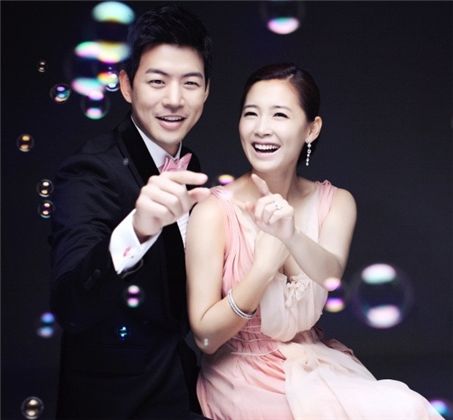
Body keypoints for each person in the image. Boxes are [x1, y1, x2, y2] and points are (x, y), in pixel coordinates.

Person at [185, 63, 443, 420]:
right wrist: (263, 269)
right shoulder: (213, 211)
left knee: (408, 409)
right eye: (251, 114)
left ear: (311, 128)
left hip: (310, 363)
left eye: (279, 114)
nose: (261, 128)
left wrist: (289, 235)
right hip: (239, 374)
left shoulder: (335, 202)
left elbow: (329, 274)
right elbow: (206, 336)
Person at [50, 4, 212, 419]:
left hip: (182, 387)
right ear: (126, 85)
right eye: (157, 81)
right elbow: (70, 305)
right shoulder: (89, 170)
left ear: (206, 91)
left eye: (190, 83)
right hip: (115, 404)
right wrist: (136, 230)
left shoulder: (191, 166)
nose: (174, 99)